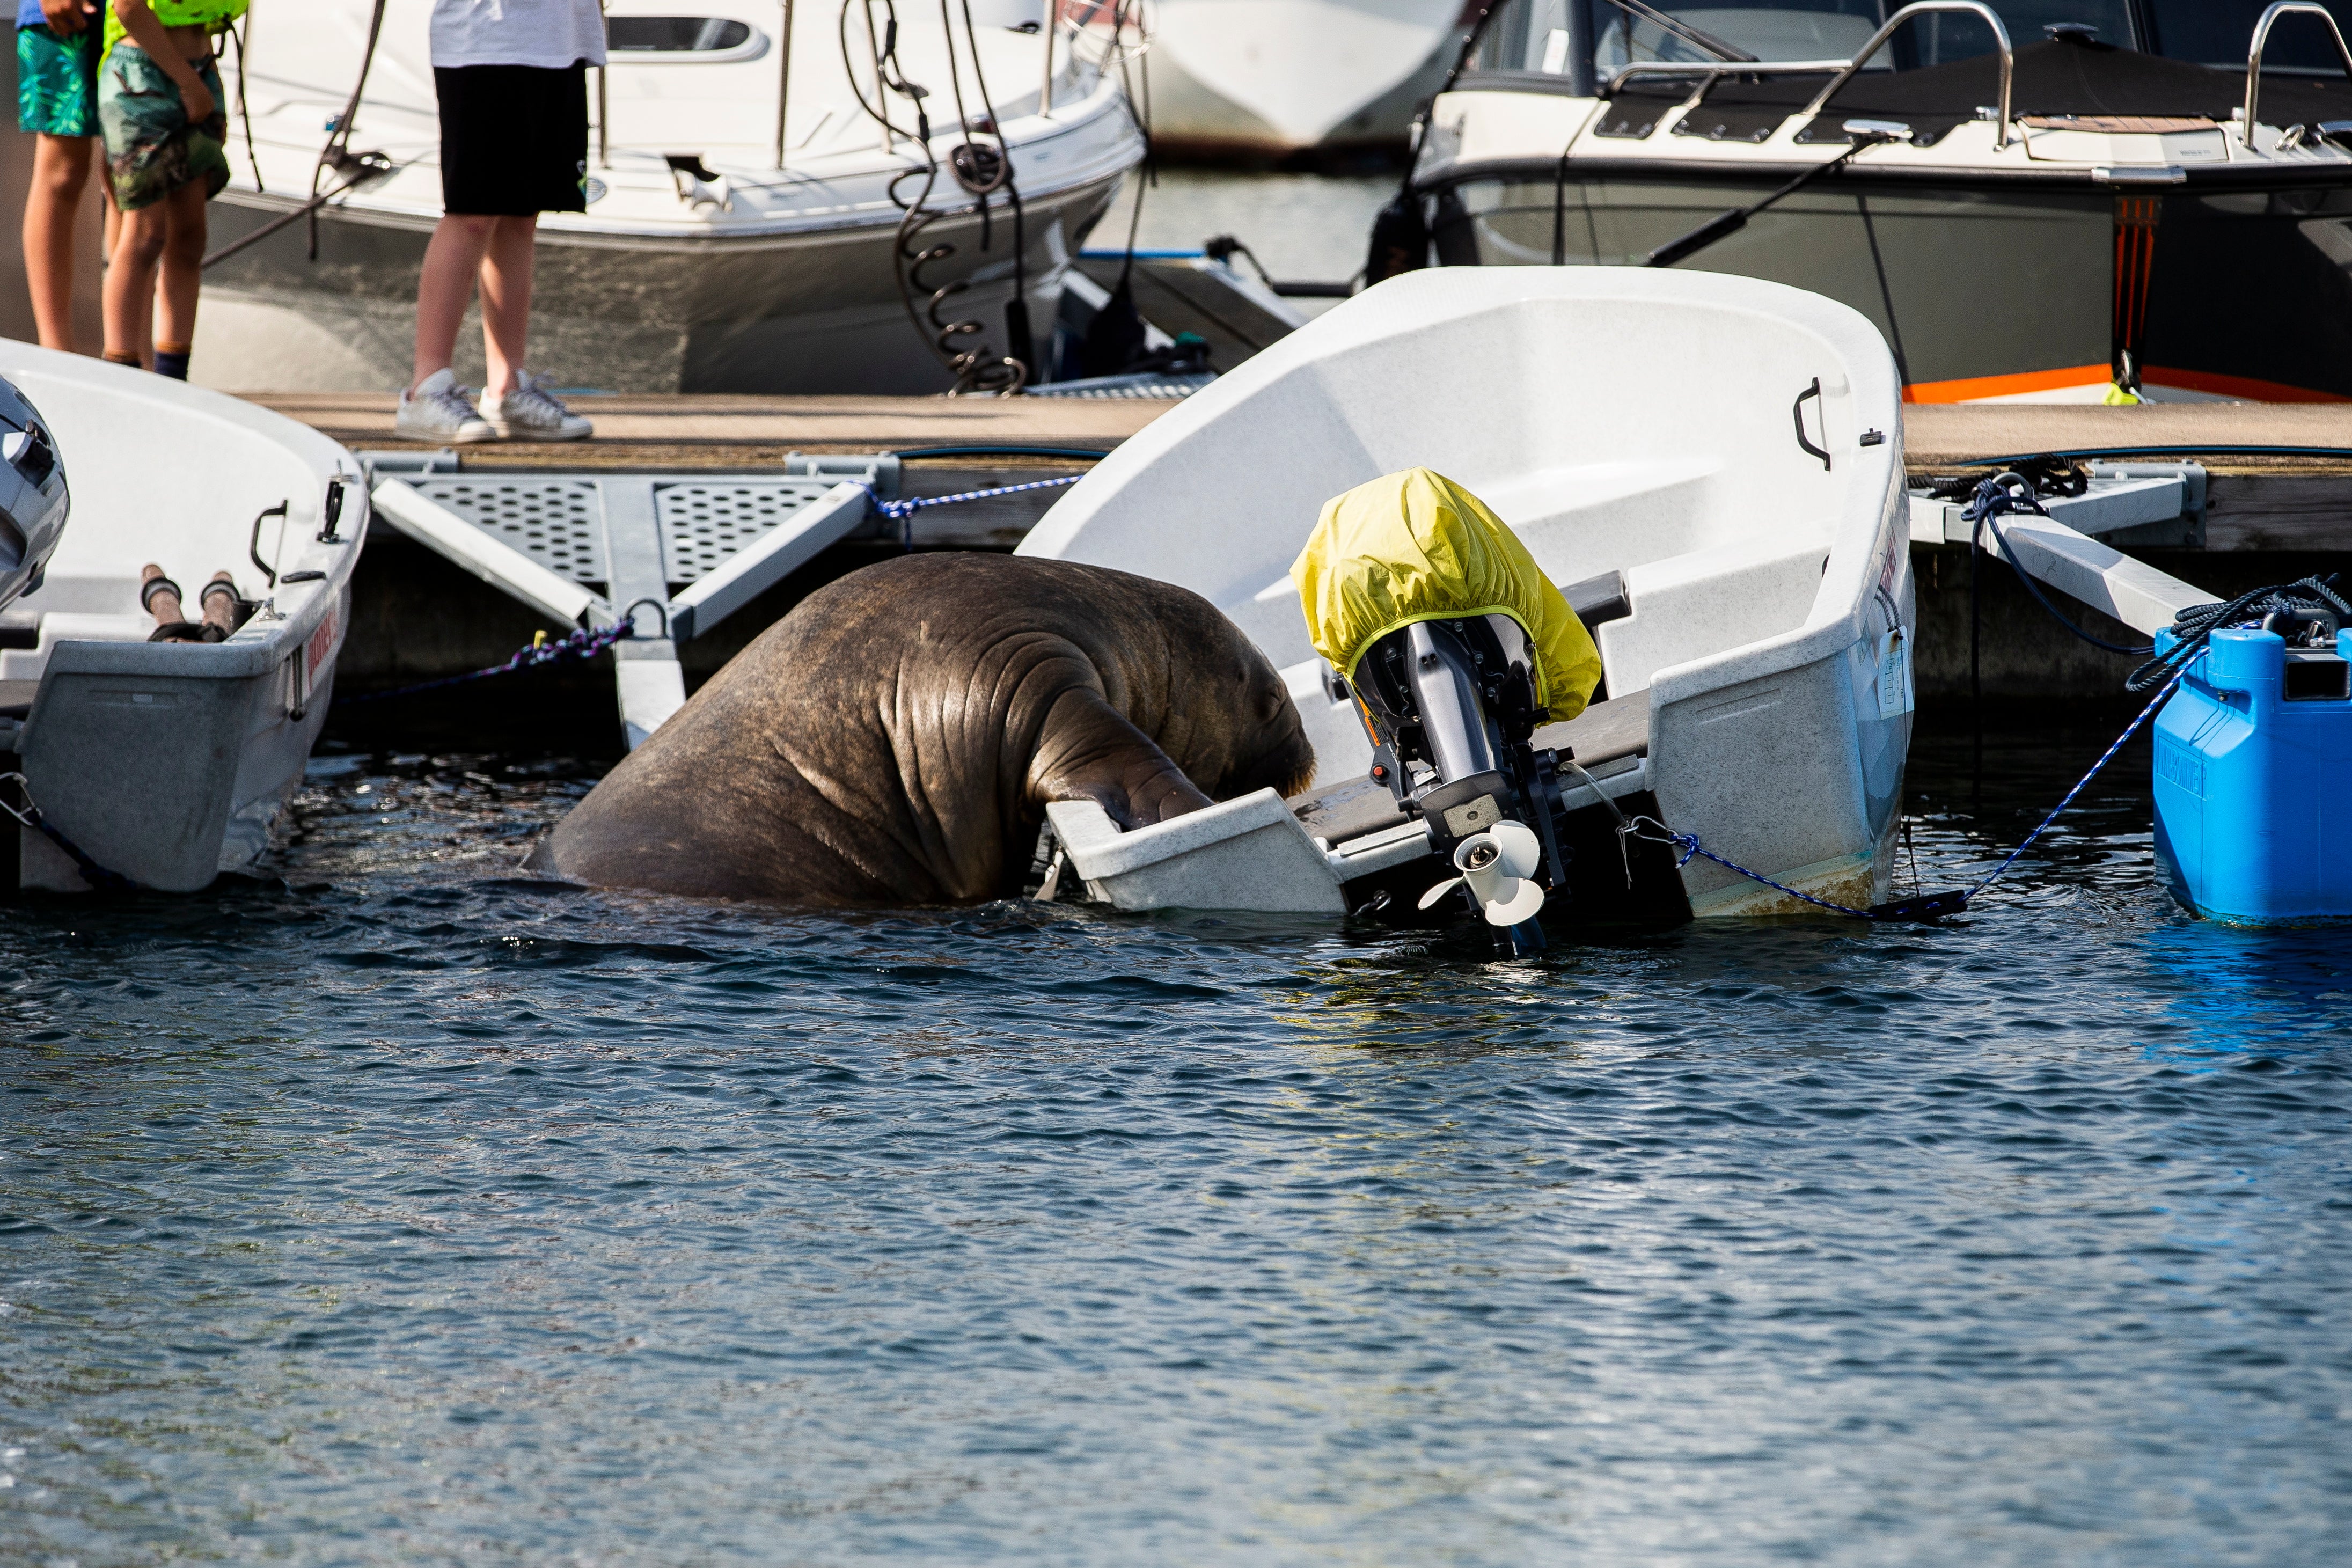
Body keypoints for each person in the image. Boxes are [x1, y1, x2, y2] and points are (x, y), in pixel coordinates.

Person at [395, 0, 601, 443]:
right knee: (472, 213)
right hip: (484, 41)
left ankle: (507, 387)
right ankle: (424, 391)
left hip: (560, 39)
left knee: (521, 215)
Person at [97, 0, 241, 380]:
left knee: (191, 235)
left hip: (199, 70)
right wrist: (189, 83)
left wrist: (201, 80)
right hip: (142, 76)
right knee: (145, 234)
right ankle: (122, 374)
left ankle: (174, 376)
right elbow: (128, 8)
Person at [16, 0, 105, 353]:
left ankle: (128, 358)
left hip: (148, 20)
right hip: (65, 17)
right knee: (62, 172)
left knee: (131, 179)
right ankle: (55, 352)